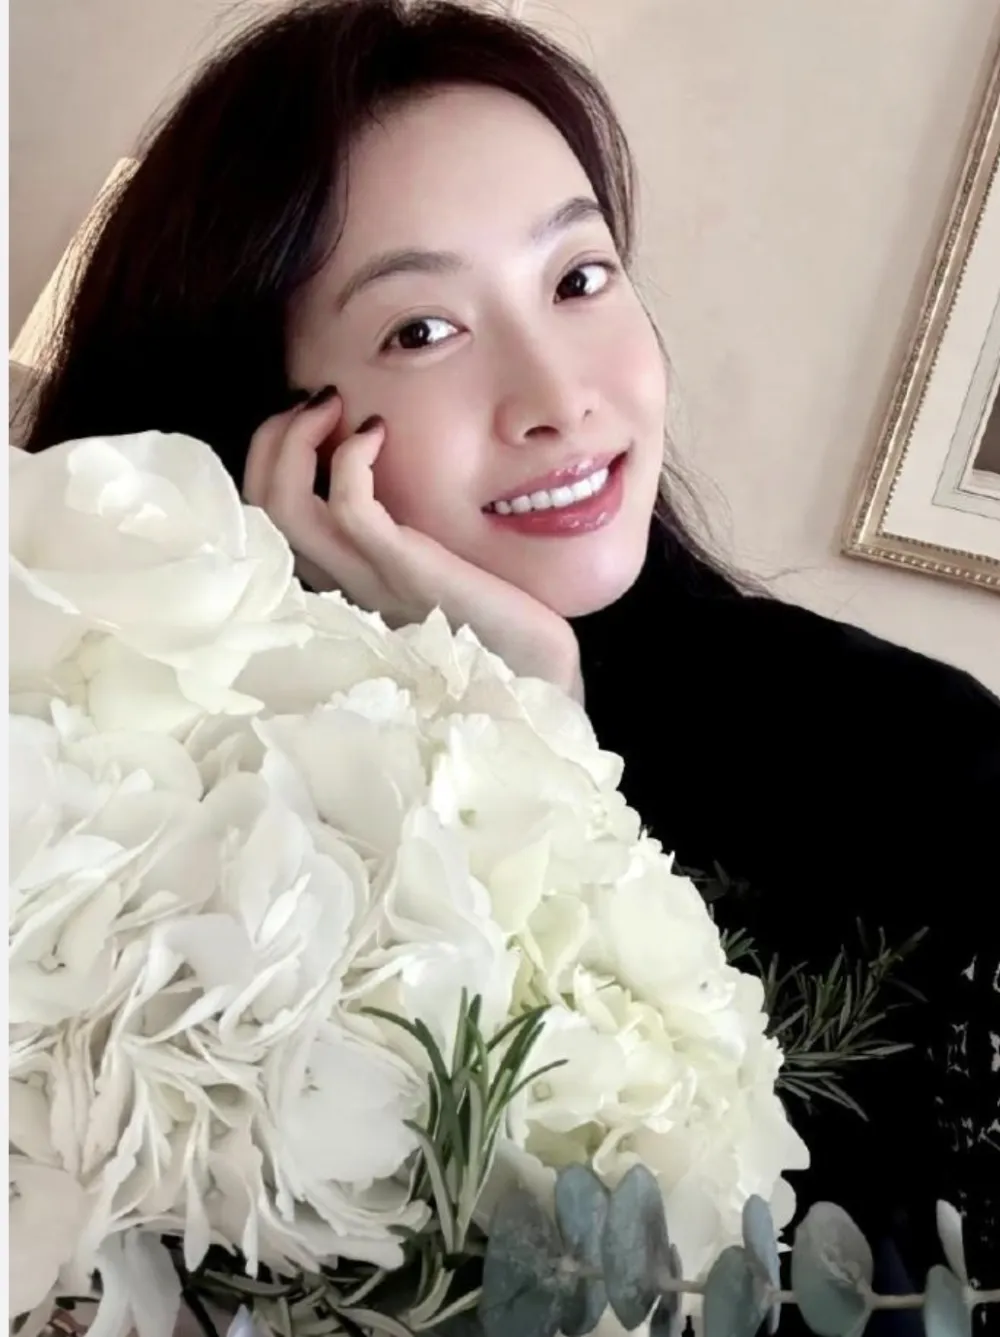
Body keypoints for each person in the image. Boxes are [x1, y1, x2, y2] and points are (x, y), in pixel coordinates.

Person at [21, 0, 1000, 1327]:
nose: (557, 397)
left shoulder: (925, 760)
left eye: (578, 279)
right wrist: (485, 721)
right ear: (276, 423)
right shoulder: (121, 792)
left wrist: (537, 740)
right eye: (422, 330)